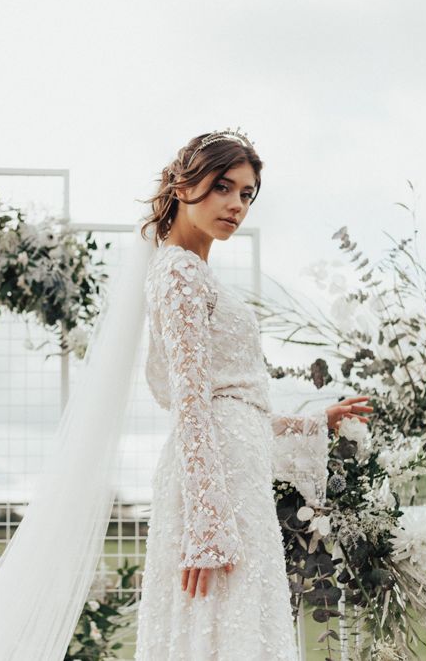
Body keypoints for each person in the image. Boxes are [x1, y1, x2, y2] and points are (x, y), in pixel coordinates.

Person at [135, 129, 373, 660]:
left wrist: (314, 421)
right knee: (217, 624)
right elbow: (192, 403)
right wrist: (206, 523)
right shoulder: (178, 274)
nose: (237, 205)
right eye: (224, 187)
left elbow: (232, 404)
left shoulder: (196, 272)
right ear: (182, 185)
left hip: (235, 476)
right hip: (214, 487)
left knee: (237, 624)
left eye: (247, 193)